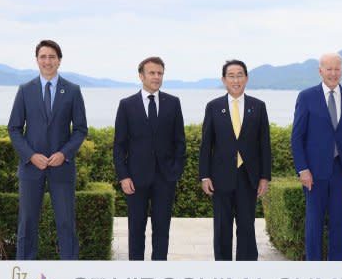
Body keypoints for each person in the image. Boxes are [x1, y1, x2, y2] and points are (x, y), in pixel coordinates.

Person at [8, 39, 88, 260]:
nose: (47, 61)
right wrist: (31, 155)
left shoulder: (72, 90)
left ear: (59, 61)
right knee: (27, 223)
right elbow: (14, 128)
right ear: (37, 60)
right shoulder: (25, 90)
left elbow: (81, 129)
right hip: (31, 168)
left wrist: (64, 154)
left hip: (61, 168)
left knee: (65, 222)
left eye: (52, 57)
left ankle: (69, 272)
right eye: (43, 57)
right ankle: (24, 273)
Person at [290, 53, 342, 261]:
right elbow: (297, 137)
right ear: (320, 70)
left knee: (339, 224)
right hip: (313, 173)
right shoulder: (306, 97)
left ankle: (336, 271)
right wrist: (302, 169)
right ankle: (313, 270)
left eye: (337, 69)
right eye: (329, 69)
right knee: (313, 224)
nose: (333, 73)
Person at [113, 56, 185, 260]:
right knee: (136, 228)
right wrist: (123, 176)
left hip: (165, 178)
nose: (156, 77)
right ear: (141, 76)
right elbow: (119, 145)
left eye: (160, 73)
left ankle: (158, 271)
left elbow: (180, 141)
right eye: (152, 73)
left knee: (162, 229)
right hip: (135, 178)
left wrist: (175, 171)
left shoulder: (173, 103)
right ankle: (136, 272)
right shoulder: (126, 105)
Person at [199, 60, 271, 261]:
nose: (236, 79)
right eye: (231, 75)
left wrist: (265, 177)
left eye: (240, 75)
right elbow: (206, 144)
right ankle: (223, 269)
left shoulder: (258, 106)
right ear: (224, 80)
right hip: (220, 176)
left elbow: (264, 144)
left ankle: (246, 270)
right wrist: (205, 176)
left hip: (249, 177)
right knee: (222, 226)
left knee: (247, 225)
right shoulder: (214, 107)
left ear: (246, 78)